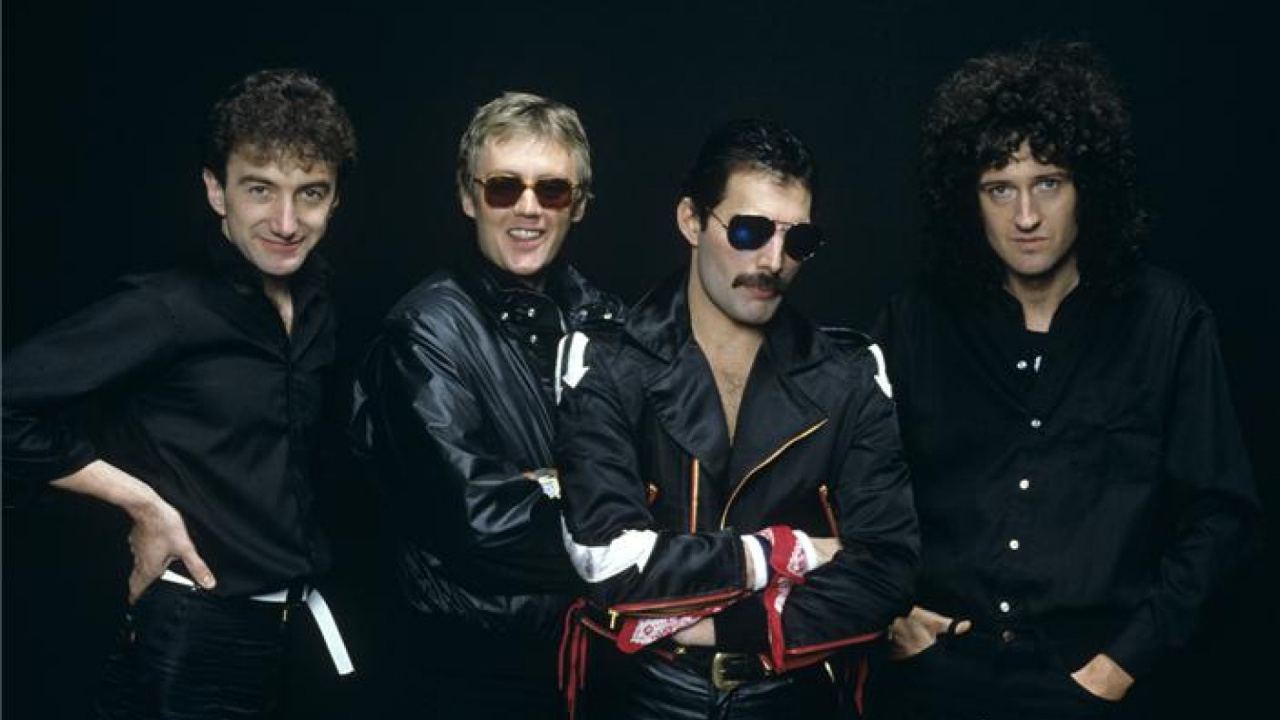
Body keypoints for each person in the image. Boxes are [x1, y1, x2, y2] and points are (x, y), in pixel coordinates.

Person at [869, 41, 1262, 719]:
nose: (1026, 217)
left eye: (1048, 183)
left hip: (1092, 680)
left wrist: (1123, 662)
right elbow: (850, 489)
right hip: (935, 676)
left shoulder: (1167, 319)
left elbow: (1221, 514)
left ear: (1087, 188)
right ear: (970, 200)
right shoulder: (914, 324)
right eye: (1000, 189)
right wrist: (891, 616)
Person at [2, 68, 358, 719]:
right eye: (259, 189)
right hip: (193, 634)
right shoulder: (166, 306)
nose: (286, 221)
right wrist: (143, 504)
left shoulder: (317, 307)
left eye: (310, 194)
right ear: (216, 190)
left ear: (333, 201)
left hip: (291, 634)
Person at [555, 119, 919, 720]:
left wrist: (728, 626)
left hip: (794, 696)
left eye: (799, 240)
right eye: (750, 231)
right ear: (691, 221)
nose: (773, 261)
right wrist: (784, 553)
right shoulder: (604, 361)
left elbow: (887, 572)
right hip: (642, 694)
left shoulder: (853, 373)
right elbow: (610, 561)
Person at [350, 91, 625, 719]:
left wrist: (549, 485)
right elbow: (479, 523)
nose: (528, 207)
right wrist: (603, 504)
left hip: (596, 663)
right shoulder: (422, 333)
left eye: (552, 190)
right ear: (468, 196)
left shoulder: (609, 321)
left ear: (579, 204)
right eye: (504, 187)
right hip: (474, 676)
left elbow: (659, 489)